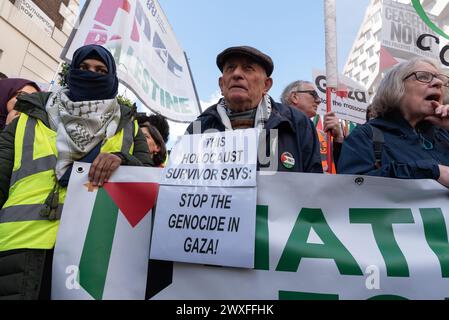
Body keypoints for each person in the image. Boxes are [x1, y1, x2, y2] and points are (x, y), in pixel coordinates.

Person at [0, 44, 152, 300]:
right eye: (83, 68)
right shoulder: (28, 117)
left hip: (92, 254)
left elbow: (148, 184)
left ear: (112, 78)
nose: (91, 74)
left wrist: (122, 159)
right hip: (18, 250)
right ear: (72, 72)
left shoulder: (128, 127)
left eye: (100, 70)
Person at [186, 46, 322, 173]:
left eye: (248, 68)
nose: (236, 74)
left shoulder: (298, 124)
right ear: (221, 85)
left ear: (266, 85)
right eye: (230, 68)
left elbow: (313, 186)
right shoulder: (198, 128)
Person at [337, 57, 449, 188]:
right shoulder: (366, 136)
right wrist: (432, 171)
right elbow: (352, 187)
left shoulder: (444, 134)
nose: (438, 82)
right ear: (396, 87)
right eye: (424, 77)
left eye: (439, 78)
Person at [281, 80, 344, 172]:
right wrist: (314, 175)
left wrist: (339, 138)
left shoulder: (323, 135)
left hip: (328, 185)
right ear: (294, 97)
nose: (318, 101)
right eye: (313, 94)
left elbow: (344, 165)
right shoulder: (276, 127)